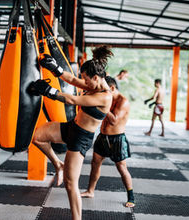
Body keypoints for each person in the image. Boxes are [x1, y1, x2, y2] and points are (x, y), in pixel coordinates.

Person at [29, 45, 113, 220]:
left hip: (80, 139)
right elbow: (73, 80)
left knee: (70, 183)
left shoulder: (105, 96)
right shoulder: (94, 85)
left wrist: (49, 91)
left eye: (87, 79)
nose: (85, 82)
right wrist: (56, 69)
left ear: (96, 78)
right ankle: (58, 164)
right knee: (37, 137)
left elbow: (72, 99)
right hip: (70, 128)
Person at [80, 76, 135, 208]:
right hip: (102, 137)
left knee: (121, 168)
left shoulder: (123, 101)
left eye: (104, 90)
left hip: (117, 139)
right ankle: (90, 191)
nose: (102, 93)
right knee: (95, 164)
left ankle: (131, 197)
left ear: (112, 88)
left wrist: (101, 105)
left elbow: (114, 120)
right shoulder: (107, 97)